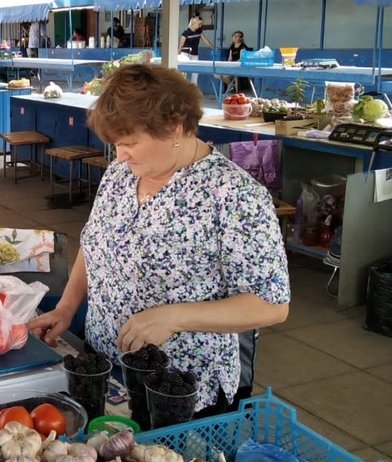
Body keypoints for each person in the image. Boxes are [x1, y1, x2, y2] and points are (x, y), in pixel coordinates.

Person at [28, 64, 290, 417]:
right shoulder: (121, 176)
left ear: (175, 128)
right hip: (103, 367)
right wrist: (66, 308)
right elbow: (94, 247)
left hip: (177, 390)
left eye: (131, 143)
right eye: (117, 144)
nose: (120, 155)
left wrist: (174, 318)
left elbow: (271, 305)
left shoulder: (236, 196)